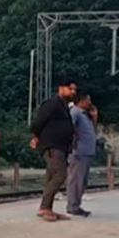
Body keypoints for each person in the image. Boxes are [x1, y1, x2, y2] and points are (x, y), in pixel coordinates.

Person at [30, 78, 79, 221]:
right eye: (70, 89)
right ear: (61, 88)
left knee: (51, 177)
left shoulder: (64, 107)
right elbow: (38, 121)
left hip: (61, 147)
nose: (73, 92)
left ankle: (48, 208)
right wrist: (36, 136)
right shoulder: (52, 104)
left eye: (74, 90)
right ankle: (44, 207)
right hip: (52, 146)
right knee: (60, 175)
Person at [66, 93, 97, 217]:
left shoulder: (85, 115)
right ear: (81, 101)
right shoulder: (75, 112)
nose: (90, 102)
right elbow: (69, 125)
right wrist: (75, 135)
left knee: (82, 181)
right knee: (76, 180)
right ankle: (72, 206)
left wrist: (94, 117)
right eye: (88, 100)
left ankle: (76, 205)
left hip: (87, 152)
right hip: (79, 152)